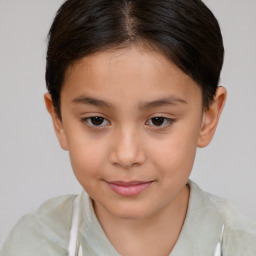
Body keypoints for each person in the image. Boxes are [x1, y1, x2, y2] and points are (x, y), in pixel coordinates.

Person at [1, 0, 256, 255]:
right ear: (58, 120)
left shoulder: (244, 246)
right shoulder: (32, 244)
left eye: (158, 120)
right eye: (96, 120)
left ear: (207, 118)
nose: (126, 155)